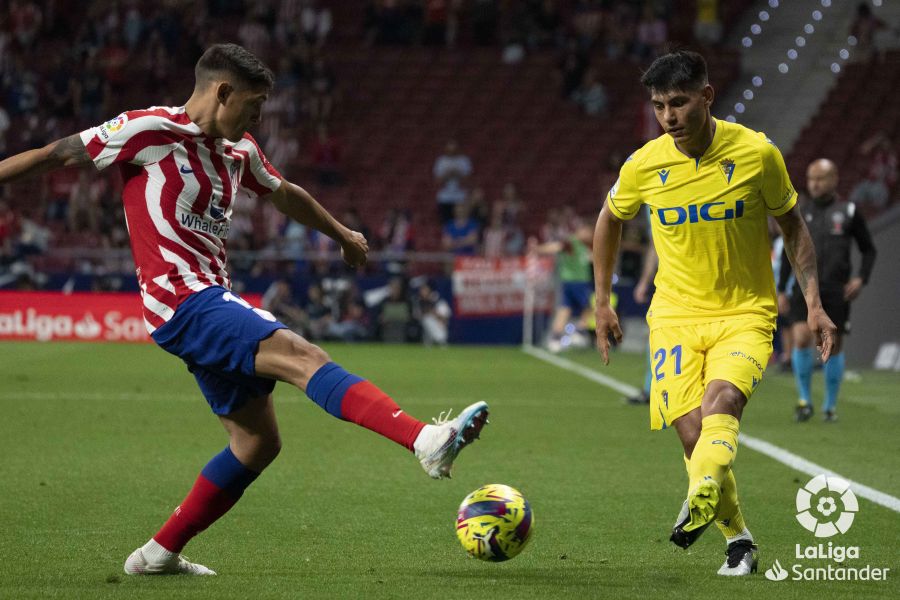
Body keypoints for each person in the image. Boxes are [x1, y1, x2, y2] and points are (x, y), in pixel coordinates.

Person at [0, 43, 489, 576]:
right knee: (302, 355)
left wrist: (344, 235)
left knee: (257, 443)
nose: (258, 117)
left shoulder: (240, 151)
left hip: (208, 297)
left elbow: (286, 194)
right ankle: (424, 440)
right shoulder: (148, 131)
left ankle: (157, 554)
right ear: (222, 92)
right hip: (183, 300)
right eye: (253, 106)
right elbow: (55, 154)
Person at [592, 50, 836, 577]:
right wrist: (602, 299)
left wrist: (814, 302)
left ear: (706, 97)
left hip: (744, 312)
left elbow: (792, 227)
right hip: (674, 317)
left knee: (722, 401)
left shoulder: (756, 153)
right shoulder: (644, 164)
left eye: (679, 103)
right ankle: (739, 540)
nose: (669, 117)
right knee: (692, 436)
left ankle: (699, 491)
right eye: (659, 107)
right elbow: (609, 219)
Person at [778, 159, 877, 423]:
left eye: (820, 178)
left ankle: (830, 406)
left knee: (833, 346)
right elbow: (791, 251)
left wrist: (860, 278)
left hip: (836, 289)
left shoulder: (849, 211)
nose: (814, 184)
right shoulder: (800, 212)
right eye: (811, 179)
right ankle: (804, 400)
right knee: (800, 338)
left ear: (834, 179)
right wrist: (781, 289)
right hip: (804, 287)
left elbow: (868, 249)